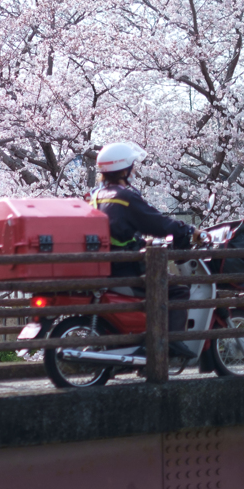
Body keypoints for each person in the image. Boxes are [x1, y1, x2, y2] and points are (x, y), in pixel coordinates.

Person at [89, 141, 200, 360]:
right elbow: (157, 222)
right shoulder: (125, 197)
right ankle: (170, 344)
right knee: (177, 289)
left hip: (107, 265)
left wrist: (141, 242)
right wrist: (188, 231)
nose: (135, 169)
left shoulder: (97, 196)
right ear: (124, 169)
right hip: (124, 270)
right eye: (132, 165)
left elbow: (116, 232)